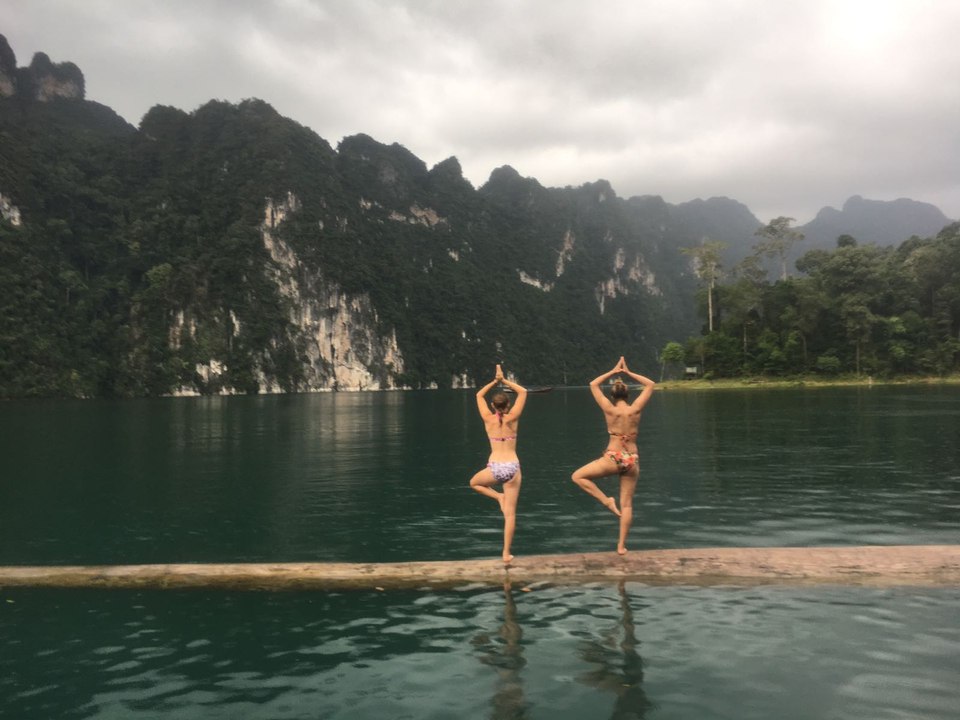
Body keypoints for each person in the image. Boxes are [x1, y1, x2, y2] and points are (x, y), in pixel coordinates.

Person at [571, 357, 655, 555]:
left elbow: (593, 384)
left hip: (612, 458)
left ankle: (606, 501)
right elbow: (650, 384)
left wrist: (613, 371)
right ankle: (621, 546)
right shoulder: (635, 409)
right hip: (632, 460)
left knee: (577, 476)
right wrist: (627, 372)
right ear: (628, 394)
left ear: (612, 395)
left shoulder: (609, 409)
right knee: (627, 505)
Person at [470, 364, 527, 564]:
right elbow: (523, 391)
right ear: (507, 406)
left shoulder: (487, 419)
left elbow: (478, 396)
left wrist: (494, 381)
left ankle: (497, 497)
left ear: (493, 407)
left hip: (494, 469)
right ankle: (506, 553)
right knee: (510, 515)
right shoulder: (513, 418)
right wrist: (504, 381)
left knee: (474, 483)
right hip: (512, 468)